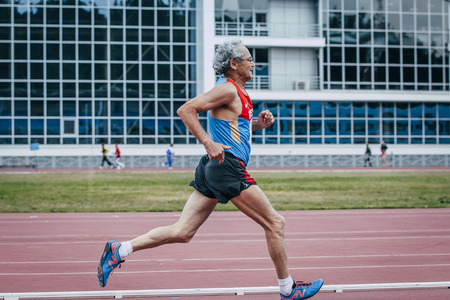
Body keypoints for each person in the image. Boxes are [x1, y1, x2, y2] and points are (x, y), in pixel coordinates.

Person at [97, 39, 323, 300]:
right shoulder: (227, 89)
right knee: (275, 223)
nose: (253, 64)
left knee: (183, 232)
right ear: (234, 64)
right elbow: (186, 109)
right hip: (226, 165)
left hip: (214, 168)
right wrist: (208, 142)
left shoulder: (238, 92)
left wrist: (258, 124)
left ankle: (120, 250)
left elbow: (233, 125)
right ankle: (288, 289)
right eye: (249, 59)